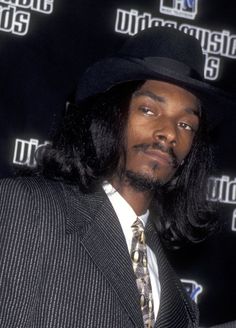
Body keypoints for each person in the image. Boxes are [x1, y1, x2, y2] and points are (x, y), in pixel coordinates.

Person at [0, 27, 232, 328]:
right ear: (111, 114)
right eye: (149, 110)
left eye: (187, 125)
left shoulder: (179, 302)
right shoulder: (26, 209)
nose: (169, 133)